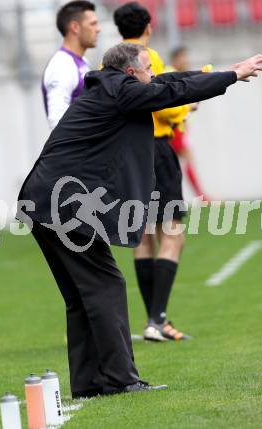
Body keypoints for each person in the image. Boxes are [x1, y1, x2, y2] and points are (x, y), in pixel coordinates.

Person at [17, 42, 262, 398]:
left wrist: (220, 72)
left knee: (81, 295)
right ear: (131, 73)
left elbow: (168, 81)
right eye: (147, 70)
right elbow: (171, 90)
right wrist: (231, 76)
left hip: (42, 200)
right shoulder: (122, 92)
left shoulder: (111, 88)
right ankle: (121, 379)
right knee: (105, 285)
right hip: (62, 204)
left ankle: (90, 382)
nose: (152, 75)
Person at [114, 2, 203, 342]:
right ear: (149, 25)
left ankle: (154, 320)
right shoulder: (148, 57)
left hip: (129, 153)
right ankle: (157, 318)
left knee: (144, 236)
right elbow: (162, 104)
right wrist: (188, 105)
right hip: (157, 149)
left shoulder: (111, 61)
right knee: (173, 233)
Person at [42, 0, 101, 130]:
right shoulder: (62, 65)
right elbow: (56, 121)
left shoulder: (82, 61)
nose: (98, 29)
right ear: (75, 27)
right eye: (93, 24)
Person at [167, 46, 209, 200]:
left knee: (175, 163)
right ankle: (201, 197)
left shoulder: (177, 75)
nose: (187, 61)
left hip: (177, 126)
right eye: (183, 57)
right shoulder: (170, 74)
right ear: (176, 59)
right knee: (184, 159)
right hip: (172, 128)